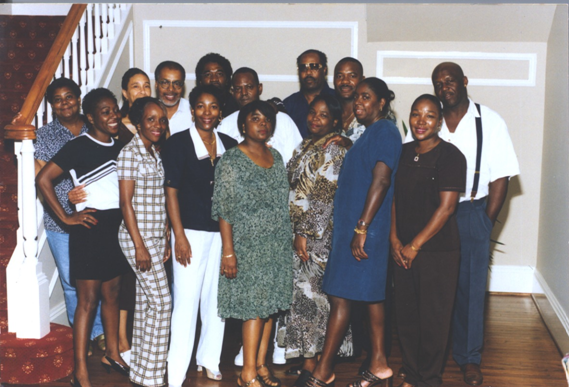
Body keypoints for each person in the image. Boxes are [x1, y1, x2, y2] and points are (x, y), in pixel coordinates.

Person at [404, 62, 520, 386]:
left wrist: (485, 222)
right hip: (431, 217)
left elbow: (500, 177)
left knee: (470, 291)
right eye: (438, 83)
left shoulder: (490, 122)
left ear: (464, 82)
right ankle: (427, 360)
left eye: (450, 81)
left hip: (471, 213)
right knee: (432, 291)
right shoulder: (428, 120)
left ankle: (469, 359)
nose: (445, 87)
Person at [306, 78, 402, 387]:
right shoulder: (368, 133)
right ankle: (380, 363)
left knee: (341, 297)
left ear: (382, 102)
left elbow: (382, 180)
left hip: (365, 229)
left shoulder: (386, 130)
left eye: (366, 97)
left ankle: (323, 370)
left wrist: (362, 227)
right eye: (357, 97)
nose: (358, 102)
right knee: (371, 297)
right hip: (355, 227)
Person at [36, 88, 130, 387]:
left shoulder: (121, 144)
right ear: (90, 117)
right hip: (89, 229)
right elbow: (43, 179)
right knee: (87, 302)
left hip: (116, 227)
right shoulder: (78, 146)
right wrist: (65, 216)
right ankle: (80, 369)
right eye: (105, 112)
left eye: (114, 109)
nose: (113, 115)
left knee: (113, 294)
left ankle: (113, 353)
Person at [212, 100, 292, 387]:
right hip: (247, 246)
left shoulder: (277, 157)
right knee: (254, 308)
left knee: (270, 307)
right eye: (255, 118)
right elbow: (224, 209)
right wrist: (229, 252)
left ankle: (260, 364)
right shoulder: (232, 159)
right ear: (243, 125)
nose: (262, 123)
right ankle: (247, 373)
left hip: (276, 244)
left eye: (267, 119)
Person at [162, 85, 238, 386]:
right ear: (192, 110)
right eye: (201, 107)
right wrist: (178, 236)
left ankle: (209, 359)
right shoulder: (178, 144)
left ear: (220, 111)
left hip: (221, 234)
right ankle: (176, 368)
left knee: (215, 300)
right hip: (189, 233)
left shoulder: (230, 145)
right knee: (186, 301)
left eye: (213, 107)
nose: (207, 112)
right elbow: (171, 192)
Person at [392, 94, 466, 387]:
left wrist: (415, 245)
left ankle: (430, 378)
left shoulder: (450, 156)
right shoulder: (401, 152)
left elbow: (446, 208)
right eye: (415, 114)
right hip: (401, 248)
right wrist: (395, 240)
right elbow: (392, 199)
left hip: (437, 251)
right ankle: (411, 372)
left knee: (433, 319)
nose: (421, 121)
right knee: (407, 316)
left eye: (430, 116)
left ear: (439, 121)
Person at [32, 77, 106, 357]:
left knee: (98, 278)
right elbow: (42, 179)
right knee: (72, 282)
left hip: (99, 219)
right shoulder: (43, 136)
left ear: (78, 97)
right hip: (61, 223)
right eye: (58, 99)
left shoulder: (95, 126)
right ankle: (83, 335)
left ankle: (99, 332)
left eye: (70, 97)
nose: (65, 103)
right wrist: (67, 208)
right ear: (52, 105)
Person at [279, 94, 350, 387]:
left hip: (317, 238)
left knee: (313, 300)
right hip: (298, 234)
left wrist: (304, 233)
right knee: (302, 299)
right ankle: (308, 360)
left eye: (323, 115)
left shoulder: (334, 150)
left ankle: (317, 366)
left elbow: (323, 197)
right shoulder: (306, 144)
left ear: (335, 121)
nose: (315, 119)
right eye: (312, 113)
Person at [117, 97, 171, 387]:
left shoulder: (154, 153)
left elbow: (157, 200)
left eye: (161, 119)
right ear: (138, 124)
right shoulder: (130, 154)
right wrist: (139, 245)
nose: (158, 125)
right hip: (136, 238)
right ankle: (152, 374)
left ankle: (141, 368)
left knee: (147, 304)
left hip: (153, 237)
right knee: (163, 304)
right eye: (151, 119)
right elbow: (126, 203)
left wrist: (165, 236)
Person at [217, 67, 302, 163]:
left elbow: (296, 162)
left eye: (249, 87)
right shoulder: (225, 125)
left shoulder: (283, 120)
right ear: (232, 92)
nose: (244, 93)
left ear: (259, 88)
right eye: (238, 89)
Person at [284, 49, 336, 139]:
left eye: (314, 67)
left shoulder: (337, 99)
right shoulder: (288, 104)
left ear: (324, 70)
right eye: (303, 68)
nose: (308, 72)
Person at [195, 52, 240, 118]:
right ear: (200, 81)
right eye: (208, 74)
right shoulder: (194, 105)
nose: (214, 79)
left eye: (219, 74)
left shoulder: (236, 106)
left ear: (227, 79)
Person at [154, 60, 191, 135]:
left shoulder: (193, 112)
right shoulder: (147, 111)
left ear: (182, 86)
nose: (171, 89)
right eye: (165, 83)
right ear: (156, 85)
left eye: (177, 83)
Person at [117, 67, 152, 144]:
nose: (143, 91)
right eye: (136, 86)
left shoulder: (158, 122)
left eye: (146, 86)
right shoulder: (117, 126)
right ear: (125, 93)